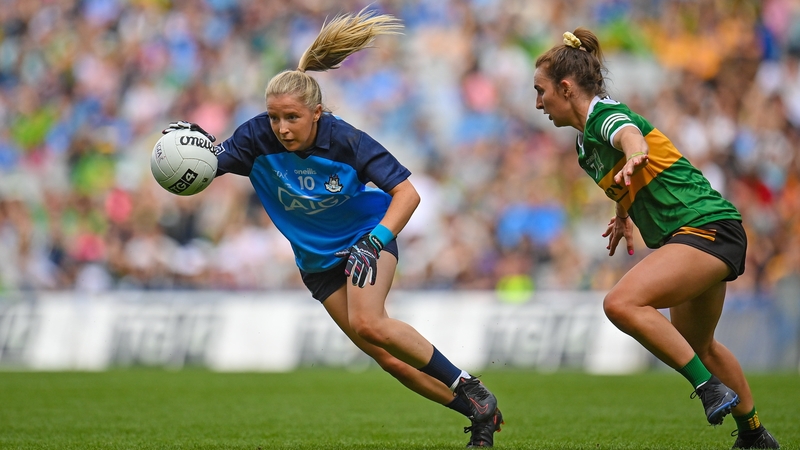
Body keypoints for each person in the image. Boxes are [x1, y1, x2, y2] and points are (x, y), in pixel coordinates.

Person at [161, 9, 503, 448]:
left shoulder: (346, 140)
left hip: (367, 238)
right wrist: (189, 147)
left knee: (371, 323)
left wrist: (375, 241)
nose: (281, 129)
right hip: (316, 260)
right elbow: (205, 164)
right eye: (273, 117)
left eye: (292, 118)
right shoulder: (253, 139)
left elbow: (408, 194)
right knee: (387, 359)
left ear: (317, 113)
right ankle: (480, 414)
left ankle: (469, 385)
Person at [532, 28, 780, 449]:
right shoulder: (582, 145)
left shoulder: (601, 115)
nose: (537, 102)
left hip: (705, 227)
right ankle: (754, 433)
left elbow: (627, 133)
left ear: (566, 87)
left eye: (540, 91)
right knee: (700, 346)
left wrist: (633, 151)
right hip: (698, 231)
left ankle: (708, 389)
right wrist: (622, 212)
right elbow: (626, 173)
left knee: (620, 303)